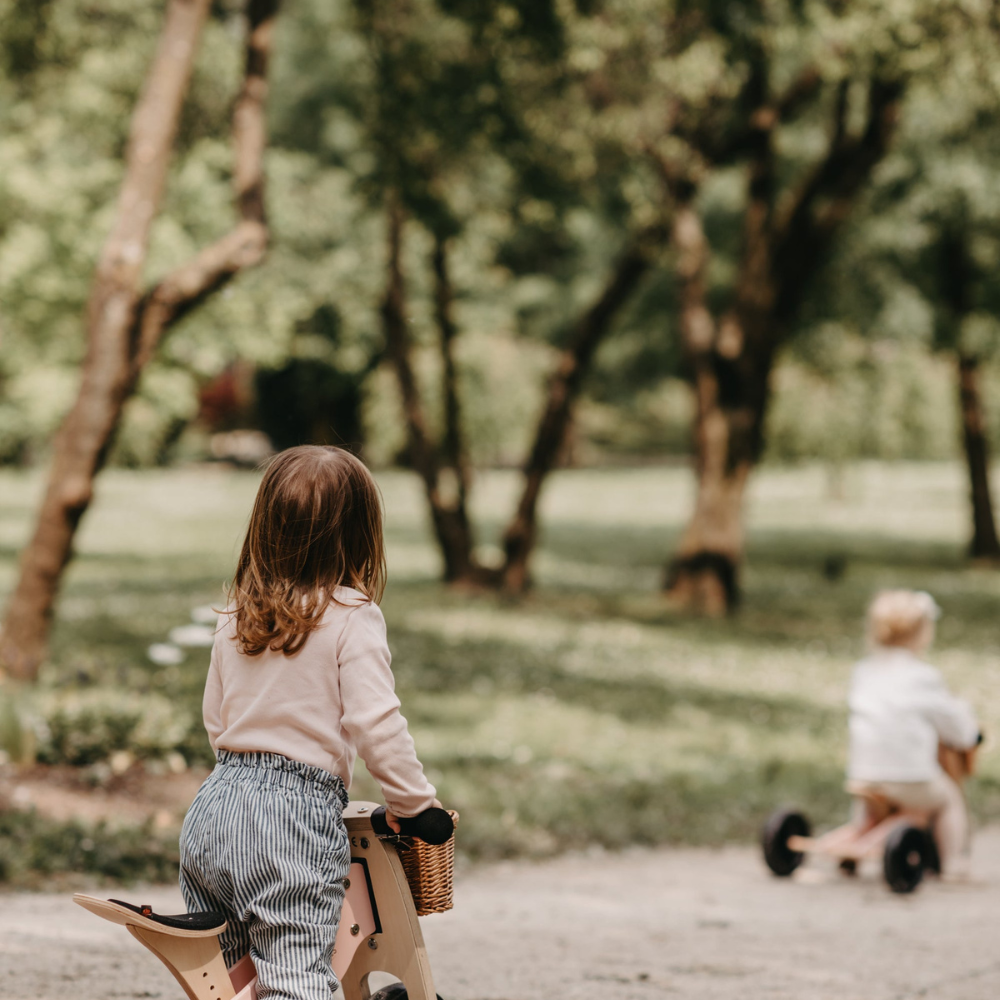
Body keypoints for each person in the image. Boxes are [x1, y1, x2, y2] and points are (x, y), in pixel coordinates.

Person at [179, 445, 440, 1000]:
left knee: (231, 983)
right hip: (289, 820)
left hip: (214, 808)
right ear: (360, 534)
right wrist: (416, 807)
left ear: (265, 527)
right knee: (295, 976)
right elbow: (377, 723)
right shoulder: (351, 615)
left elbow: (214, 719)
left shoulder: (235, 616)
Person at [847, 589, 980, 875]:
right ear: (921, 633)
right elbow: (954, 722)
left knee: (875, 796)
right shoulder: (924, 678)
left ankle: (856, 836)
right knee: (948, 799)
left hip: (863, 772)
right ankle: (954, 862)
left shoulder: (864, 671)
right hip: (910, 778)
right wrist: (970, 733)